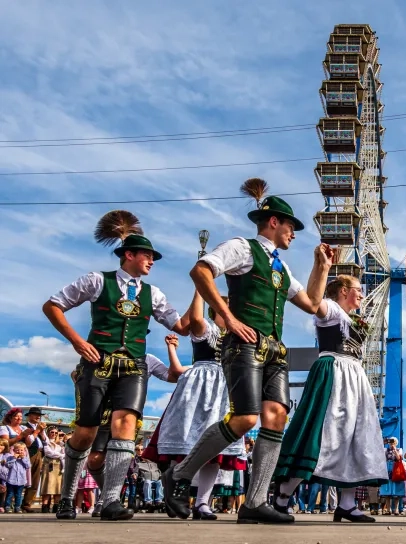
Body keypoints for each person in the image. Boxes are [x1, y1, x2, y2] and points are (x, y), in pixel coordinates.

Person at [163, 179, 332, 525]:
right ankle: (180, 474)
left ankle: (254, 502)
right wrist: (227, 317)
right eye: (291, 226)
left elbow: (313, 304)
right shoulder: (242, 247)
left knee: (276, 417)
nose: (294, 233)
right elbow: (201, 271)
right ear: (274, 222)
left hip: (274, 349)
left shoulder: (281, 268)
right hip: (243, 345)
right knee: (245, 418)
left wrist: (323, 267)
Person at [42, 210, 190, 521]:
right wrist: (77, 342)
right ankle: (67, 498)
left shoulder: (155, 294)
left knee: (126, 425)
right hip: (98, 362)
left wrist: (201, 290)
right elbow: (53, 305)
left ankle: (110, 501)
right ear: (129, 255)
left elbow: (183, 326)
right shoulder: (97, 281)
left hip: (134, 365)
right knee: (84, 434)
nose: (151, 261)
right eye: (147, 255)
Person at [274, 275, 387, 523]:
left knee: (355, 436)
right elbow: (314, 304)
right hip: (335, 370)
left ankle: (346, 504)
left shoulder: (352, 318)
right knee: (323, 433)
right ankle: (283, 495)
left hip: (355, 375)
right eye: (358, 289)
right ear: (344, 290)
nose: (362, 294)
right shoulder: (331, 309)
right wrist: (322, 269)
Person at [143, 291, 245, 521]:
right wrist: (201, 289)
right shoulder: (206, 329)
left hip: (224, 389)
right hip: (199, 386)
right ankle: (174, 496)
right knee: (183, 439)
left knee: (216, 450)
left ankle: (202, 503)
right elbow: (196, 320)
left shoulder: (234, 335)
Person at [84, 335, 186, 517]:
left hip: (127, 415)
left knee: (120, 459)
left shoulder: (147, 360)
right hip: (102, 413)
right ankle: (107, 495)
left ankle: (108, 499)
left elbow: (173, 376)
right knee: (95, 459)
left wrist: (172, 348)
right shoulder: (102, 353)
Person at [20, 407, 48, 512]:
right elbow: (29, 442)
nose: (38, 417)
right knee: (23, 478)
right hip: (28, 454)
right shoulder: (24, 427)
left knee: (35, 480)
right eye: (36, 414)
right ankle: (15, 502)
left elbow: (46, 442)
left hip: (39, 454)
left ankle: (27, 504)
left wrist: (42, 432)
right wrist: (37, 431)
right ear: (29, 416)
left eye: (39, 415)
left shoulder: (39, 428)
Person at [40, 427, 65, 513]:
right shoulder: (46, 442)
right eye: (52, 432)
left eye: (56, 433)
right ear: (48, 433)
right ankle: (45, 507)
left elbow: (64, 453)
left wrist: (61, 455)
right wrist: (60, 455)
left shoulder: (60, 443)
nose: (54, 434)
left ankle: (56, 507)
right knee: (47, 486)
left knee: (58, 487)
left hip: (59, 466)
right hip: (49, 465)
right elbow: (48, 453)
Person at [3, 443, 31, 513]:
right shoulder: (10, 457)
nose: (19, 451)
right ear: (14, 450)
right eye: (17, 450)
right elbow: (8, 465)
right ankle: (7, 506)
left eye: (21, 450)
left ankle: (17, 507)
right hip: (11, 480)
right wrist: (14, 458)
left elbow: (28, 466)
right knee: (10, 494)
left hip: (21, 480)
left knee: (18, 495)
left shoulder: (25, 458)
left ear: (24, 451)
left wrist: (23, 458)